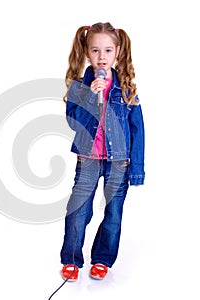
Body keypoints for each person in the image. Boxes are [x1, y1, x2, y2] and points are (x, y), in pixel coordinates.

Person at [60, 22, 145, 281]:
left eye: (108, 50)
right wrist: (88, 97)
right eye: (95, 50)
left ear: (117, 53)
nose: (101, 57)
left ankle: (102, 259)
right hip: (88, 160)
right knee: (79, 211)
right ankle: (72, 259)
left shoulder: (127, 88)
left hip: (119, 162)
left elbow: (138, 131)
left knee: (113, 213)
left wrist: (137, 169)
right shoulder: (79, 87)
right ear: (87, 52)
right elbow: (73, 123)